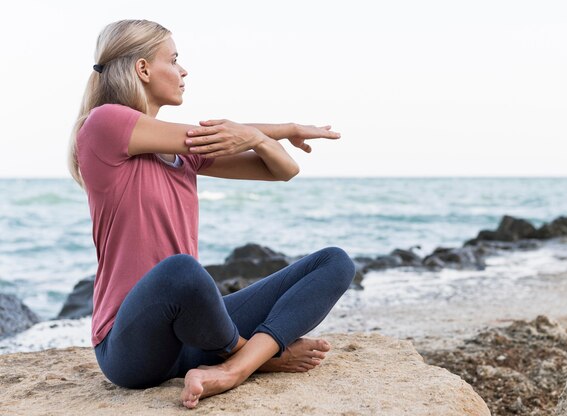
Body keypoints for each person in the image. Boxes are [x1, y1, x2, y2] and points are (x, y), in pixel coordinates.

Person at [68, 19, 356, 409]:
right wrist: (282, 128)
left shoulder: (184, 155)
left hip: (193, 341)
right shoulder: (104, 123)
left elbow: (284, 170)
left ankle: (236, 366)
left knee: (334, 262)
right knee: (181, 270)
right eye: (174, 59)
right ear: (143, 69)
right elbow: (205, 136)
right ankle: (255, 356)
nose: (183, 71)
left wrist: (261, 137)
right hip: (129, 347)